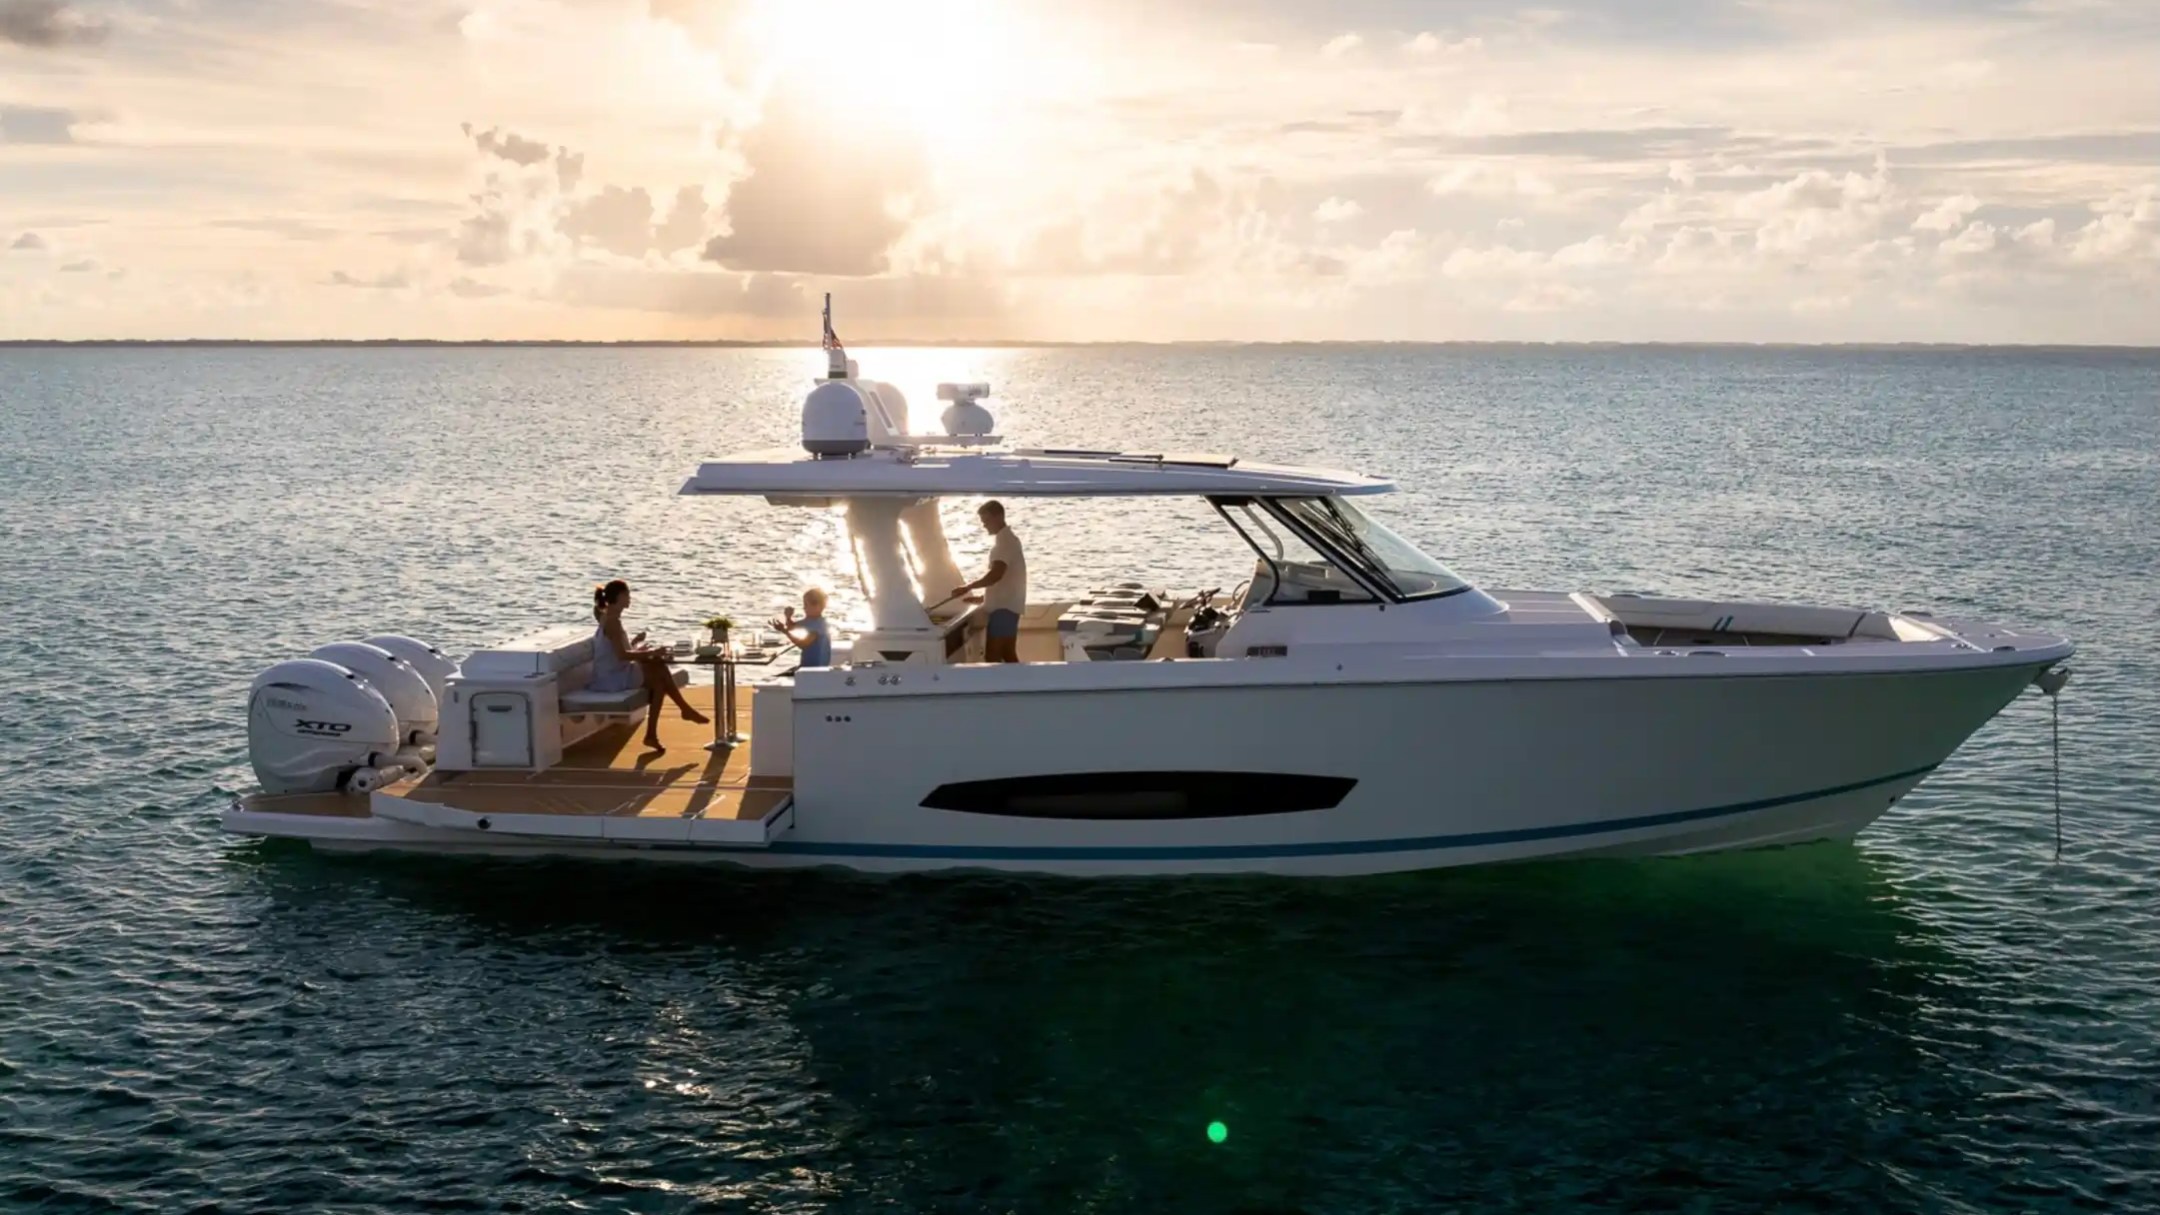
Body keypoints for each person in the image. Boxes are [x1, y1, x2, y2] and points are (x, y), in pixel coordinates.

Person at [590, 578, 707, 751]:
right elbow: (622, 656)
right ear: (620, 596)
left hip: (613, 672)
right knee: (658, 667)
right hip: (613, 678)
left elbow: (615, 650)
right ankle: (683, 711)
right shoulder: (613, 621)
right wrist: (652, 652)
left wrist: (636, 643)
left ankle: (653, 734)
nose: (630, 598)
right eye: (628, 595)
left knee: (659, 681)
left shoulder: (608, 617)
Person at [950, 499, 1027, 663]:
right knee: (1008, 655)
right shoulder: (1009, 540)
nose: (984, 525)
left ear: (998, 516)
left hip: (1004, 609)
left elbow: (996, 575)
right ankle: (1022, 686)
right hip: (1009, 606)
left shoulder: (1004, 542)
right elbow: (1006, 579)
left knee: (992, 657)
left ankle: (1010, 687)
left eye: (986, 521)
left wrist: (967, 587)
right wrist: (984, 599)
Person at [771, 587, 834, 670]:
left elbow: (803, 644)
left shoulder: (820, 626)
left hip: (814, 670)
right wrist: (788, 618)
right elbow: (792, 628)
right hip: (806, 667)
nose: (804, 608)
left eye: (806, 605)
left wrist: (784, 631)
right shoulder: (809, 620)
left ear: (817, 606)